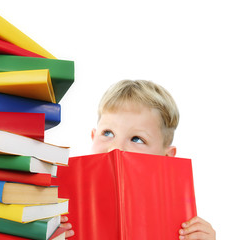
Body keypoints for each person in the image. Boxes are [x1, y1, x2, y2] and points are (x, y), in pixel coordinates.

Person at [60, 80, 216, 239]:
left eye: (137, 139)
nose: (117, 148)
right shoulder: (60, 207)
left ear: (167, 157)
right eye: (107, 133)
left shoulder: (182, 224)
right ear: (93, 137)